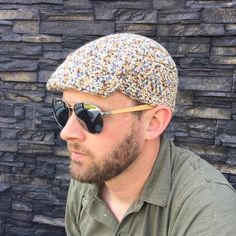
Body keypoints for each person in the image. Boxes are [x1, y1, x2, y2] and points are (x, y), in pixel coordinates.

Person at [47, 33, 236, 236]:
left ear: (154, 122)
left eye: (89, 114)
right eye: (64, 110)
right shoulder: (91, 173)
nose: (67, 133)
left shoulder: (207, 211)